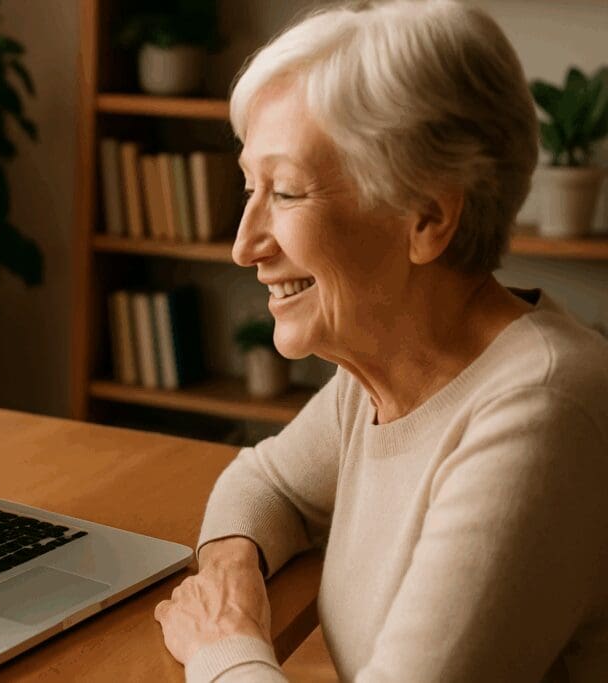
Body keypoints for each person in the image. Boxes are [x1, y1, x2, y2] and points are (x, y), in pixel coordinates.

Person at [153, 1, 608, 681]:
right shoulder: (380, 376)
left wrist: (223, 643)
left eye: (285, 192)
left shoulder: (538, 416)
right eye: (250, 186)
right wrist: (230, 569)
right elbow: (264, 481)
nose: (244, 243)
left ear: (425, 216)